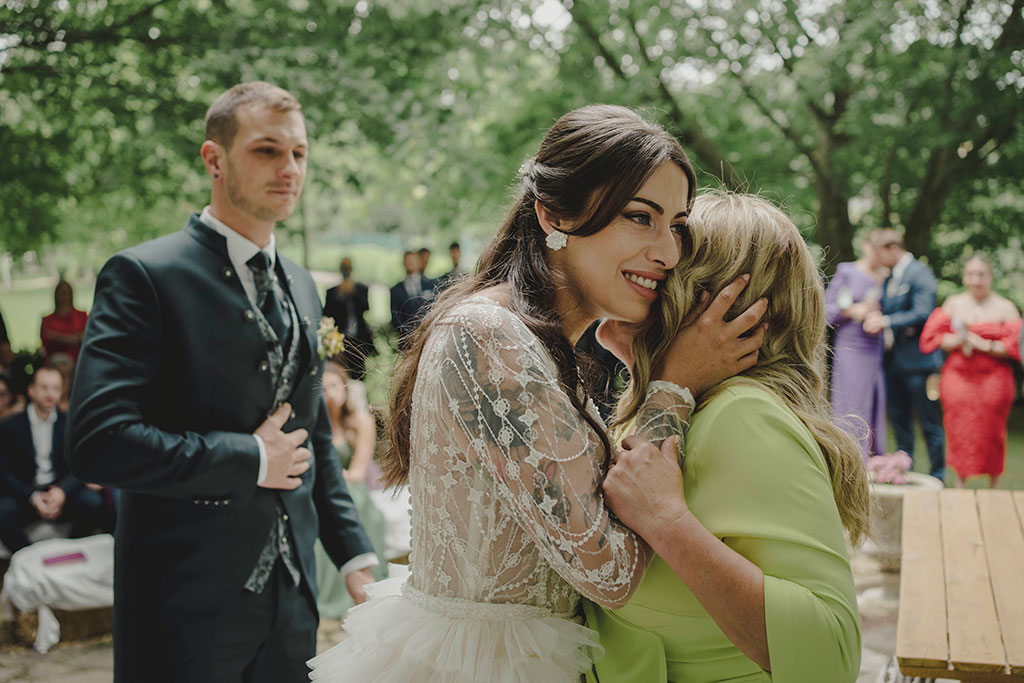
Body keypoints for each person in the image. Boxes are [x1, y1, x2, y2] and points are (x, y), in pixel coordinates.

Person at [308, 104, 767, 682]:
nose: (669, 252)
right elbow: (613, 571)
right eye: (639, 217)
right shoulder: (488, 335)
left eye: (676, 225)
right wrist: (674, 387)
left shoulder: (546, 344)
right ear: (553, 214)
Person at [65, 81, 376, 683]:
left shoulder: (303, 284)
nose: (289, 170)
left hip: (293, 610)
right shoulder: (144, 276)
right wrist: (247, 457)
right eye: (266, 151)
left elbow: (310, 438)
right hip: (183, 607)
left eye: (299, 153)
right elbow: (98, 440)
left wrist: (354, 556)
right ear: (214, 160)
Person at [586, 191, 867, 682]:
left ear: (719, 304)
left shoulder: (742, 417)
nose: (645, 265)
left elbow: (832, 655)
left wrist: (668, 523)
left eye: (665, 264)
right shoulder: (668, 407)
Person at [919, 255, 1022, 488]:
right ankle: (959, 484)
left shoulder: (1006, 307)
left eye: (981, 275)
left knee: (993, 432)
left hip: (994, 379)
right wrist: (957, 340)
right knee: (959, 429)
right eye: (971, 275)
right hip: (959, 377)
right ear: (965, 276)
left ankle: (993, 486)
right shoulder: (954, 303)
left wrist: (980, 343)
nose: (976, 280)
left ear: (990, 276)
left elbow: (1015, 346)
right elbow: (933, 337)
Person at [864, 229, 945, 479]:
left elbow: (923, 312)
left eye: (879, 253)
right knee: (900, 421)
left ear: (893, 249)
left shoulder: (919, 273)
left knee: (929, 422)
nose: (877, 260)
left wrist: (885, 320)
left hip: (920, 362)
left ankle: (937, 475)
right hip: (894, 362)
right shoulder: (890, 278)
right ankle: (902, 472)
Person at [0, 367, 110, 552]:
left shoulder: (69, 424)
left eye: (55, 388)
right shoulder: (10, 426)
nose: (50, 394)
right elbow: (4, 471)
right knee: (2, 513)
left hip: (59, 489)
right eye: (44, 388)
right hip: (27, 492)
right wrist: (32, 497)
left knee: (92, 503)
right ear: (31, 390)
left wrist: (62, 492)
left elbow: (80, 464)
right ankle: (29, 558)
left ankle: (67, 555)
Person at [313, 361, 390, 619]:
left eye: (333, 386)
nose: (329, 393)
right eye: (322, 389)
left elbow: (358, 472)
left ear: (344, 388)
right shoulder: (313, 424)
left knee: (349, 503)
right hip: (324, 489)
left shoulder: (360, 421)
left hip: (352, 488)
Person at [825, 238, 887, 458]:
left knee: (873, 401)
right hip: (851, 346)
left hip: (873, 347)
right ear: (866, 247)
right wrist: (851, 310)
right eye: (876, 250)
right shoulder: (847, 271)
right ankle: (849, 456)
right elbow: (826, 309)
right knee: (850, 401)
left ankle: (873, 460)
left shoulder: (884, 278)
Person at [322, 257, 376, 381]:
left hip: (359, 337)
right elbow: (327, 313)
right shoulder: (332, 292)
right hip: (340, 339)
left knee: (359, 375)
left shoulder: (361, 289)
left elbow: (365, 308)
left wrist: (354, 293)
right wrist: (339, 296)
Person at [389, 250, 436, 349]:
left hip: (430, 340)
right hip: (406, 343)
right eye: (408, 260)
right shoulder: (395, 290)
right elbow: (395, 317)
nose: (411, 263)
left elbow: (435, 310)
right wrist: (409, 336)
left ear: (419, 262)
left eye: (413, 260)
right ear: (403, 263)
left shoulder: (432, 285)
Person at [39, 279, 88, 362]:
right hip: (55, 361)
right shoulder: (48, 320)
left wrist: (57, 337)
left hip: (78, 360)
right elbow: (46, 341)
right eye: (61, 294)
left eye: (66, 294)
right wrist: (71, 338)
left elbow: (85, 338)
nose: (64, 297)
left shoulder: (81, 316)